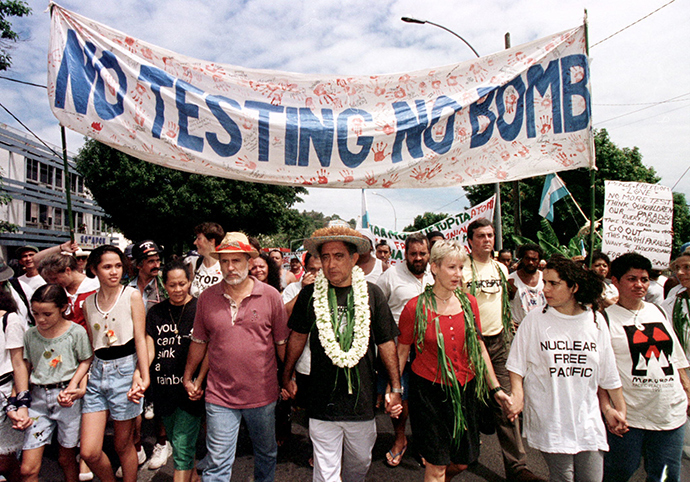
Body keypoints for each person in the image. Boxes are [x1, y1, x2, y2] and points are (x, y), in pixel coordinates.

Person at [281, 226, 403, 482]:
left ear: (354, 259)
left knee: (360, 462)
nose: (330, 263)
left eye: (338, 256)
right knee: (325, 474)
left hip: (361, 401)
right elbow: (298, 337)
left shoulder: (372, 294)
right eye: (325, 257)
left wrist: (395, 386)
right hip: (322, 400)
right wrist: (287, 374)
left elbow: (386, 343)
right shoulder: (310, 294)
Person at [397, 239, 512, 481]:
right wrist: (395, 390)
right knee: (436, 466)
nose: (458, 274)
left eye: (461, 268)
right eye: (451, 268)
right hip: (428, 395)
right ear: (435, 267)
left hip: (465, 390)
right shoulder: (414, 308)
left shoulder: (469, 304)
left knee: (461, 463)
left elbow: (479, 347)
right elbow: (402, 351)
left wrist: (496, 389)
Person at [506, 257, 627, 482]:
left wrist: (615, 409)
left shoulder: (595, 320)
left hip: (588, 420)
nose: (546, 289)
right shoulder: (534, 320)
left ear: (573, 287)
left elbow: (608, 372)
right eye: (545, 283)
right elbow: (516, 364)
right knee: (563, 478)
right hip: (551, 420)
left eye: (554, 283)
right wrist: (518, 395)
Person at [183, 232, 289, 482]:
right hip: (219, 395)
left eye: (236, 261)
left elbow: (281, 343)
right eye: (224, 261)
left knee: (266, 453)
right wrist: (189, 377)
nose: (230, 267)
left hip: (262, 395)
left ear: (249, 261)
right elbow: (200, 342)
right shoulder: (207, 298)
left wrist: (288, 378)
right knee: (218, 461)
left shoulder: (271, 296)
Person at [462, 218, 541, 482]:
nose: (487, 240)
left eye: (491, 235)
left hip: (499, 343)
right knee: (469, 401)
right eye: (482, 236)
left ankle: (517, 467)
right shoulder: (462, 270)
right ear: (470, 240)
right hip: (470, 344)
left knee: (506, 402)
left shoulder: (500, 269)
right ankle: (465, 454)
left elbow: (504, 302)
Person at [604, 253, 690, 482]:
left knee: (666, 476)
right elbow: (602, 372)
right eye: (631, 279)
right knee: (619, 472)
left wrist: (688, 391)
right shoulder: (604, 319)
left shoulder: (658, 311)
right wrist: (607, 409)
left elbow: (676, 358)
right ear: (615, 281)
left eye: (644, 279)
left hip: (669, 413)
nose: (639, 285)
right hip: (630, 416)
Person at [80, 245, 150, 482]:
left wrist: (143, 373)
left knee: (123, 445)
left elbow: (141, 337)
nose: (114, 272)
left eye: (118, 266)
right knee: (88, 451)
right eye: (107, 266)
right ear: (94, 269)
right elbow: (92, 345)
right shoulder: (87, 303)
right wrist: (79, 380)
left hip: (126, 369)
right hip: (98, 372)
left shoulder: (131, 295)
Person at [17, 285, 93, 482]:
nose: (40, 319)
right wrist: (20, 402)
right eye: (35, 313)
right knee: (27, 469)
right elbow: (24, 367)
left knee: (66, 458)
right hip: (38, 400)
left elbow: (85, 359)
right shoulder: (30, 335)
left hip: (68, 400)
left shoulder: (76, 332)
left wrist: (73, 386)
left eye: (47, 314)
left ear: (63, 308)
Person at [376, 232, 434, 467]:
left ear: (429, 254)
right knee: (399, 397)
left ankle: (424, 444)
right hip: (397, 349)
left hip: (429, 350)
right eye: (413, 254)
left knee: (425, 402)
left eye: (422, 253)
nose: (418, 258)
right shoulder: (390, 276)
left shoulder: (436, 274)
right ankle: (400, 440)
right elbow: (378, 308)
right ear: (405, 254)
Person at [146, 260, 206, 482]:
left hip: (190, 390)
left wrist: (198, 381)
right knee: (179, 443)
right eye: (172, 285)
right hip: (162, 388)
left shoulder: (200, 308)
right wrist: (141, 376)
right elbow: (149, 346)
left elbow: (209, 347)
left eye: (182, 283)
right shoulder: (156, 312)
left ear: (189, 282)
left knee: (181, 448)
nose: (178, 289)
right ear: (164, 285)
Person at [128, 239, 169, 469]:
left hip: (160, 350)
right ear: (138, 264)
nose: (156, 265)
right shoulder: (127, 288)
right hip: (132, 351)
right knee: (134, 401)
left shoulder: (165, 286)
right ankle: (136, 447)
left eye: (157, 260)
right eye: (150, 261)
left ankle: (162, 442)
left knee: (160, 400)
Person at [662, 251, 690, 458]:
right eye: (677, 268)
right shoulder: (674, 300)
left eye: (686, 267)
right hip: (683, 368)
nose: (680, 273)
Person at [0, 283, 26, 481]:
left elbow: (19, 364)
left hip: (5, 391)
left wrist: (19, 401)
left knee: (5, 461)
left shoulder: (10, 320)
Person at [38, 253, 100, 330]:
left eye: (55, 278)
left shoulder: (97, 286)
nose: (53, 283)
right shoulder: (58, 292)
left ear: (68, 270)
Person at [507, 244, 547, 329]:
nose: (530, 262)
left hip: (542, 327)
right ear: (522, 259)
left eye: (534, 259)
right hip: (519, 330)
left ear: (539, 260)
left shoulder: (545, 279)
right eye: (527, 258)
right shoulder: (511, 280)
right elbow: (503, 305)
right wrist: (509, 321)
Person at [186, 222, 225, 298]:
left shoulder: (225, 266)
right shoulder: (195, 263)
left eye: (199, 239)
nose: (195, 242)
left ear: (212, 241)